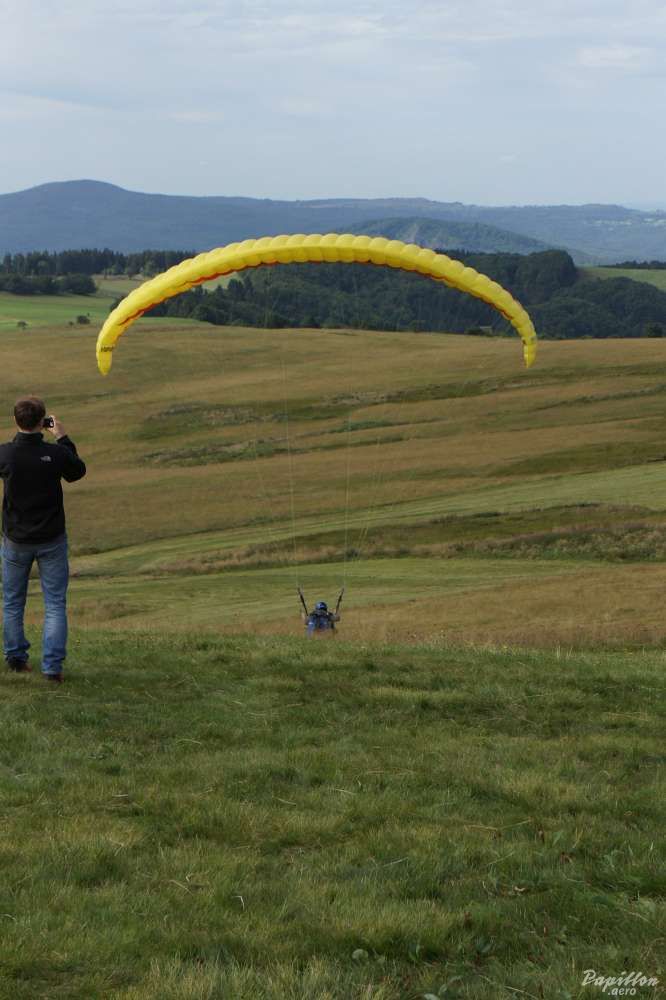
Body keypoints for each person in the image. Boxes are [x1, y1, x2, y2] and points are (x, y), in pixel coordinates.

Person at [0, 397, 86, 683]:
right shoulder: (55, 453)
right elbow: (77, 472)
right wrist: (62, 437)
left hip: (15, 540)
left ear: (16, 420)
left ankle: (16, 659)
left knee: (13, 602)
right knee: (55, 604)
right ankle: (52, 668)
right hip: (51, 538)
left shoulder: (6, 454)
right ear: (42, 421)